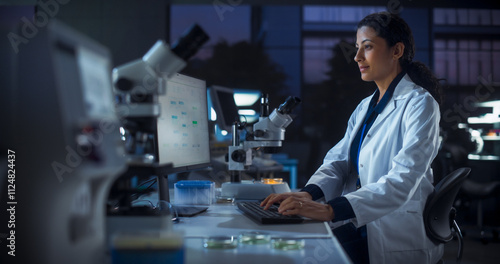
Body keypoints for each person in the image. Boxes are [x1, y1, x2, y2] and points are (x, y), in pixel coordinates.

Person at [261, 12, 443, 264]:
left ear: (396, 51)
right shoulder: (365, 106)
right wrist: (309, 194)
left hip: (394, 234)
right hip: (360, 225)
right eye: (357, 48)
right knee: (291, 251)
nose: (357, 57)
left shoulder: (420, 105)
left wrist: (331, 209)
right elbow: (338, 162)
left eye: (367, 47)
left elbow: (403, 179)